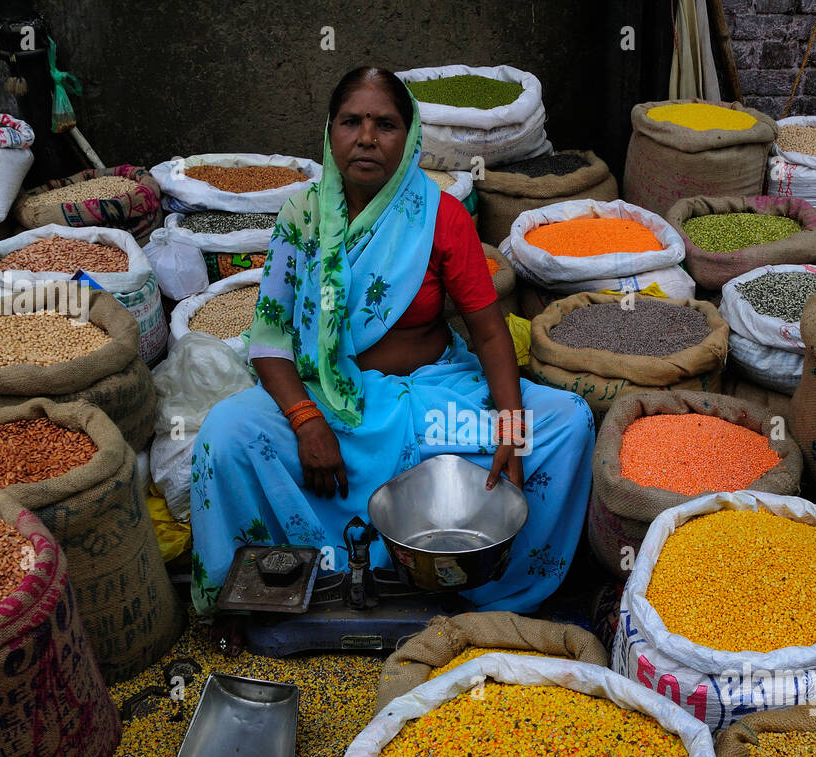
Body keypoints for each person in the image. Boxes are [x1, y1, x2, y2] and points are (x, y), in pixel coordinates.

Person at [189, 66, 594, 617]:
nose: (367, 138)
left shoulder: (439, 215)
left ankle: (492, 595)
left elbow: (491, 332)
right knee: (226, 432)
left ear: (410, 137)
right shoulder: (301, 216)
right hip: (332, 402)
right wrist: (306, 420)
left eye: (385, 124)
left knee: (567, 419)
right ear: (330, 132)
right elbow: (269, 337)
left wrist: (510, 428)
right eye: (351, 122)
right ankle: (254, 600)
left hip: (433, 397)